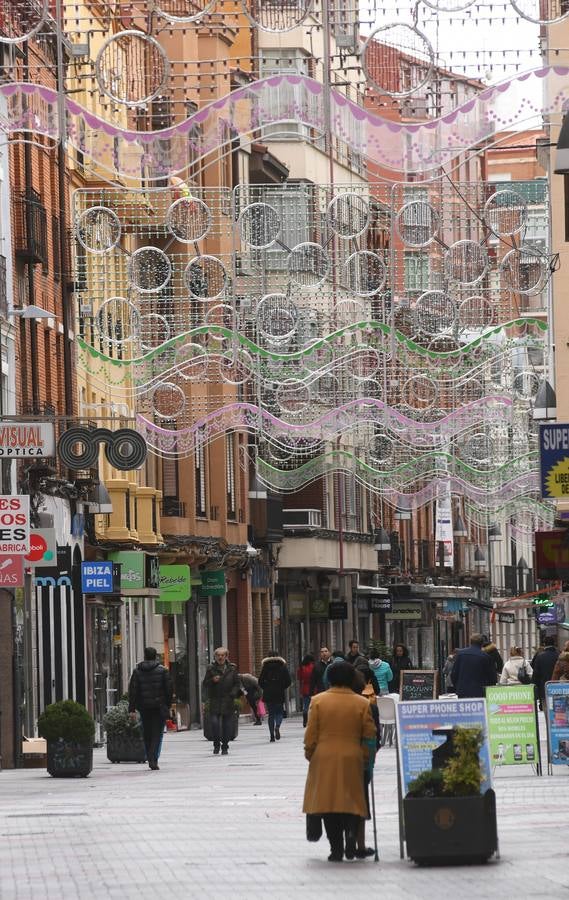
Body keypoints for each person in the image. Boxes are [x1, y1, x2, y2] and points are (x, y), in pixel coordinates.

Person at [303, 661, 377, 862]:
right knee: (351, 800)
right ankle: (351, 835)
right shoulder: (362, 703)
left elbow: (311, 733)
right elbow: (369, 734)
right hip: (352, 756)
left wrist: (310, 753)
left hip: (324, 757)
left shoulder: (318, 701)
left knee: (329, 804)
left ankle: (336, 848)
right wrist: (365, 758)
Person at [128, 646, 173, 771]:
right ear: (155, 656)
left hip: (144, 707)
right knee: (156, 734)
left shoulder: (137, 672)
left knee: (147, 733)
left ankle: (149, 756)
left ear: (145, 656)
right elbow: (169, 689)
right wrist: (168, 705)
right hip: (159, 707)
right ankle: (153, 758)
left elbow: (133, 691)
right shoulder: (163, 671)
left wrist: (131, 708)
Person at [202, 647, 241, 755]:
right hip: (215, 699)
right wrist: (212, 680)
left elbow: (237, 684)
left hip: (228, 700)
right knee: (214, 723)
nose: (220, 657)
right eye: (218, 655)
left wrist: (233, 693)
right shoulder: (211, 668)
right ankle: (216, 744)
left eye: (222, 655)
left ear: (226, 656)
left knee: (227, 725)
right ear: (215, 657)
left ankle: (224, 745)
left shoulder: (232, 669)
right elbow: (205, 683)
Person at [258, 650, 292, 742]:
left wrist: (266, 687)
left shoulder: (265, 666)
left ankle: (272, 736)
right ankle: (277, 726)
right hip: (279, 692)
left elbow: (260, 681)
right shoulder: (282, 666)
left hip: (268, 692)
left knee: (271, 714)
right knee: (279, 712)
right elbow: (288, 681)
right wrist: (282, 687)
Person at [450, 634, 497, 698]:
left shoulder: (461, 654)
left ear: (470, 642)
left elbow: (454, 674)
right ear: (482, 643)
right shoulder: (486, 657)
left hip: (463, 692)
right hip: (479, 693)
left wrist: (458, 686)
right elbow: (492, 677)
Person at [532, 637, 559, 709]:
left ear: (544, 644)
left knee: (546, 708)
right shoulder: (559, 655)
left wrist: (535, 686)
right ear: (554, 644)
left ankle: (547, 720)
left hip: (543, 687)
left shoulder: (540, 656)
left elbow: (536, 674)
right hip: (558, 687)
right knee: (558, 708)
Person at [297, 653, 315, 727]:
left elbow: (299, 678)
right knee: (313, 705)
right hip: (313, 688)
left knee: (306, 705)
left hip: (304, 688)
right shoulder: (313, 667)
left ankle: (305, 719)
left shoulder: (301, 667)